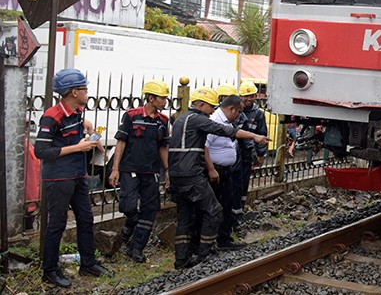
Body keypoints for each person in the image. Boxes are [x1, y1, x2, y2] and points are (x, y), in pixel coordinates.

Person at [168, 86, 269, 269]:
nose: (213, 110)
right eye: (210, 106)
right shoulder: (198, 119)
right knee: (213, 210)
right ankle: (203, 256)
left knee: (185, 217)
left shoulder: (181, 119)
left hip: (177, 175)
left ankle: (181, 260)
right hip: (191, 174)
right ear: (200, 104)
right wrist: (254, 136)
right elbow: (225, 131)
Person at [33, 68, 113, 288]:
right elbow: (41, 152)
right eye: (83, 88)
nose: (87, 92)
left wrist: (87, 133)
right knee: (56, 224)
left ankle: (88, 263)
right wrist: (77, 147)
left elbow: (78, 136)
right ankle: (50, 270)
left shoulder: (77, 113)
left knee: (86, 219)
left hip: (78, 175)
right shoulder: (51, 116)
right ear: (72, 92)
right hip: (59, 179)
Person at [108, 80, 171, 263]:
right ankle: (129, 226)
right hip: (130, 169)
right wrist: (115, 169)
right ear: (151, 98)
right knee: (128, 206)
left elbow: (163, 147)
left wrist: (167, 170)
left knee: (150, 210)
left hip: (151, 171)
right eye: (162, 98)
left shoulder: (163, 120)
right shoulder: (131, 116)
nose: (165, 101)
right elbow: (121, 142)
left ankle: (136, 248)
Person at [204, 95, 246, 250]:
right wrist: (211, 169)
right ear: (231, 109)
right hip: (216, 171)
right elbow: (205, 147)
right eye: (239, 111)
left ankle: (224, 239)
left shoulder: (227, 121)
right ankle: (210, 242)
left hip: (226, 171)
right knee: (215, 207)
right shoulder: (215, 121)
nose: (240, 115)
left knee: (226, 205)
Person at [237, 80, 268, 215]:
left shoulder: (258, 114)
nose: (249, 99)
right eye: (246, 96)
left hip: (249, 153)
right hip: (235, 152)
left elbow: (262, 133)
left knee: (244, 183)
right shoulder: (236, 111)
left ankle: (240, 208)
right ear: (240, 96)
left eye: (251, 96)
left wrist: (261, 155)